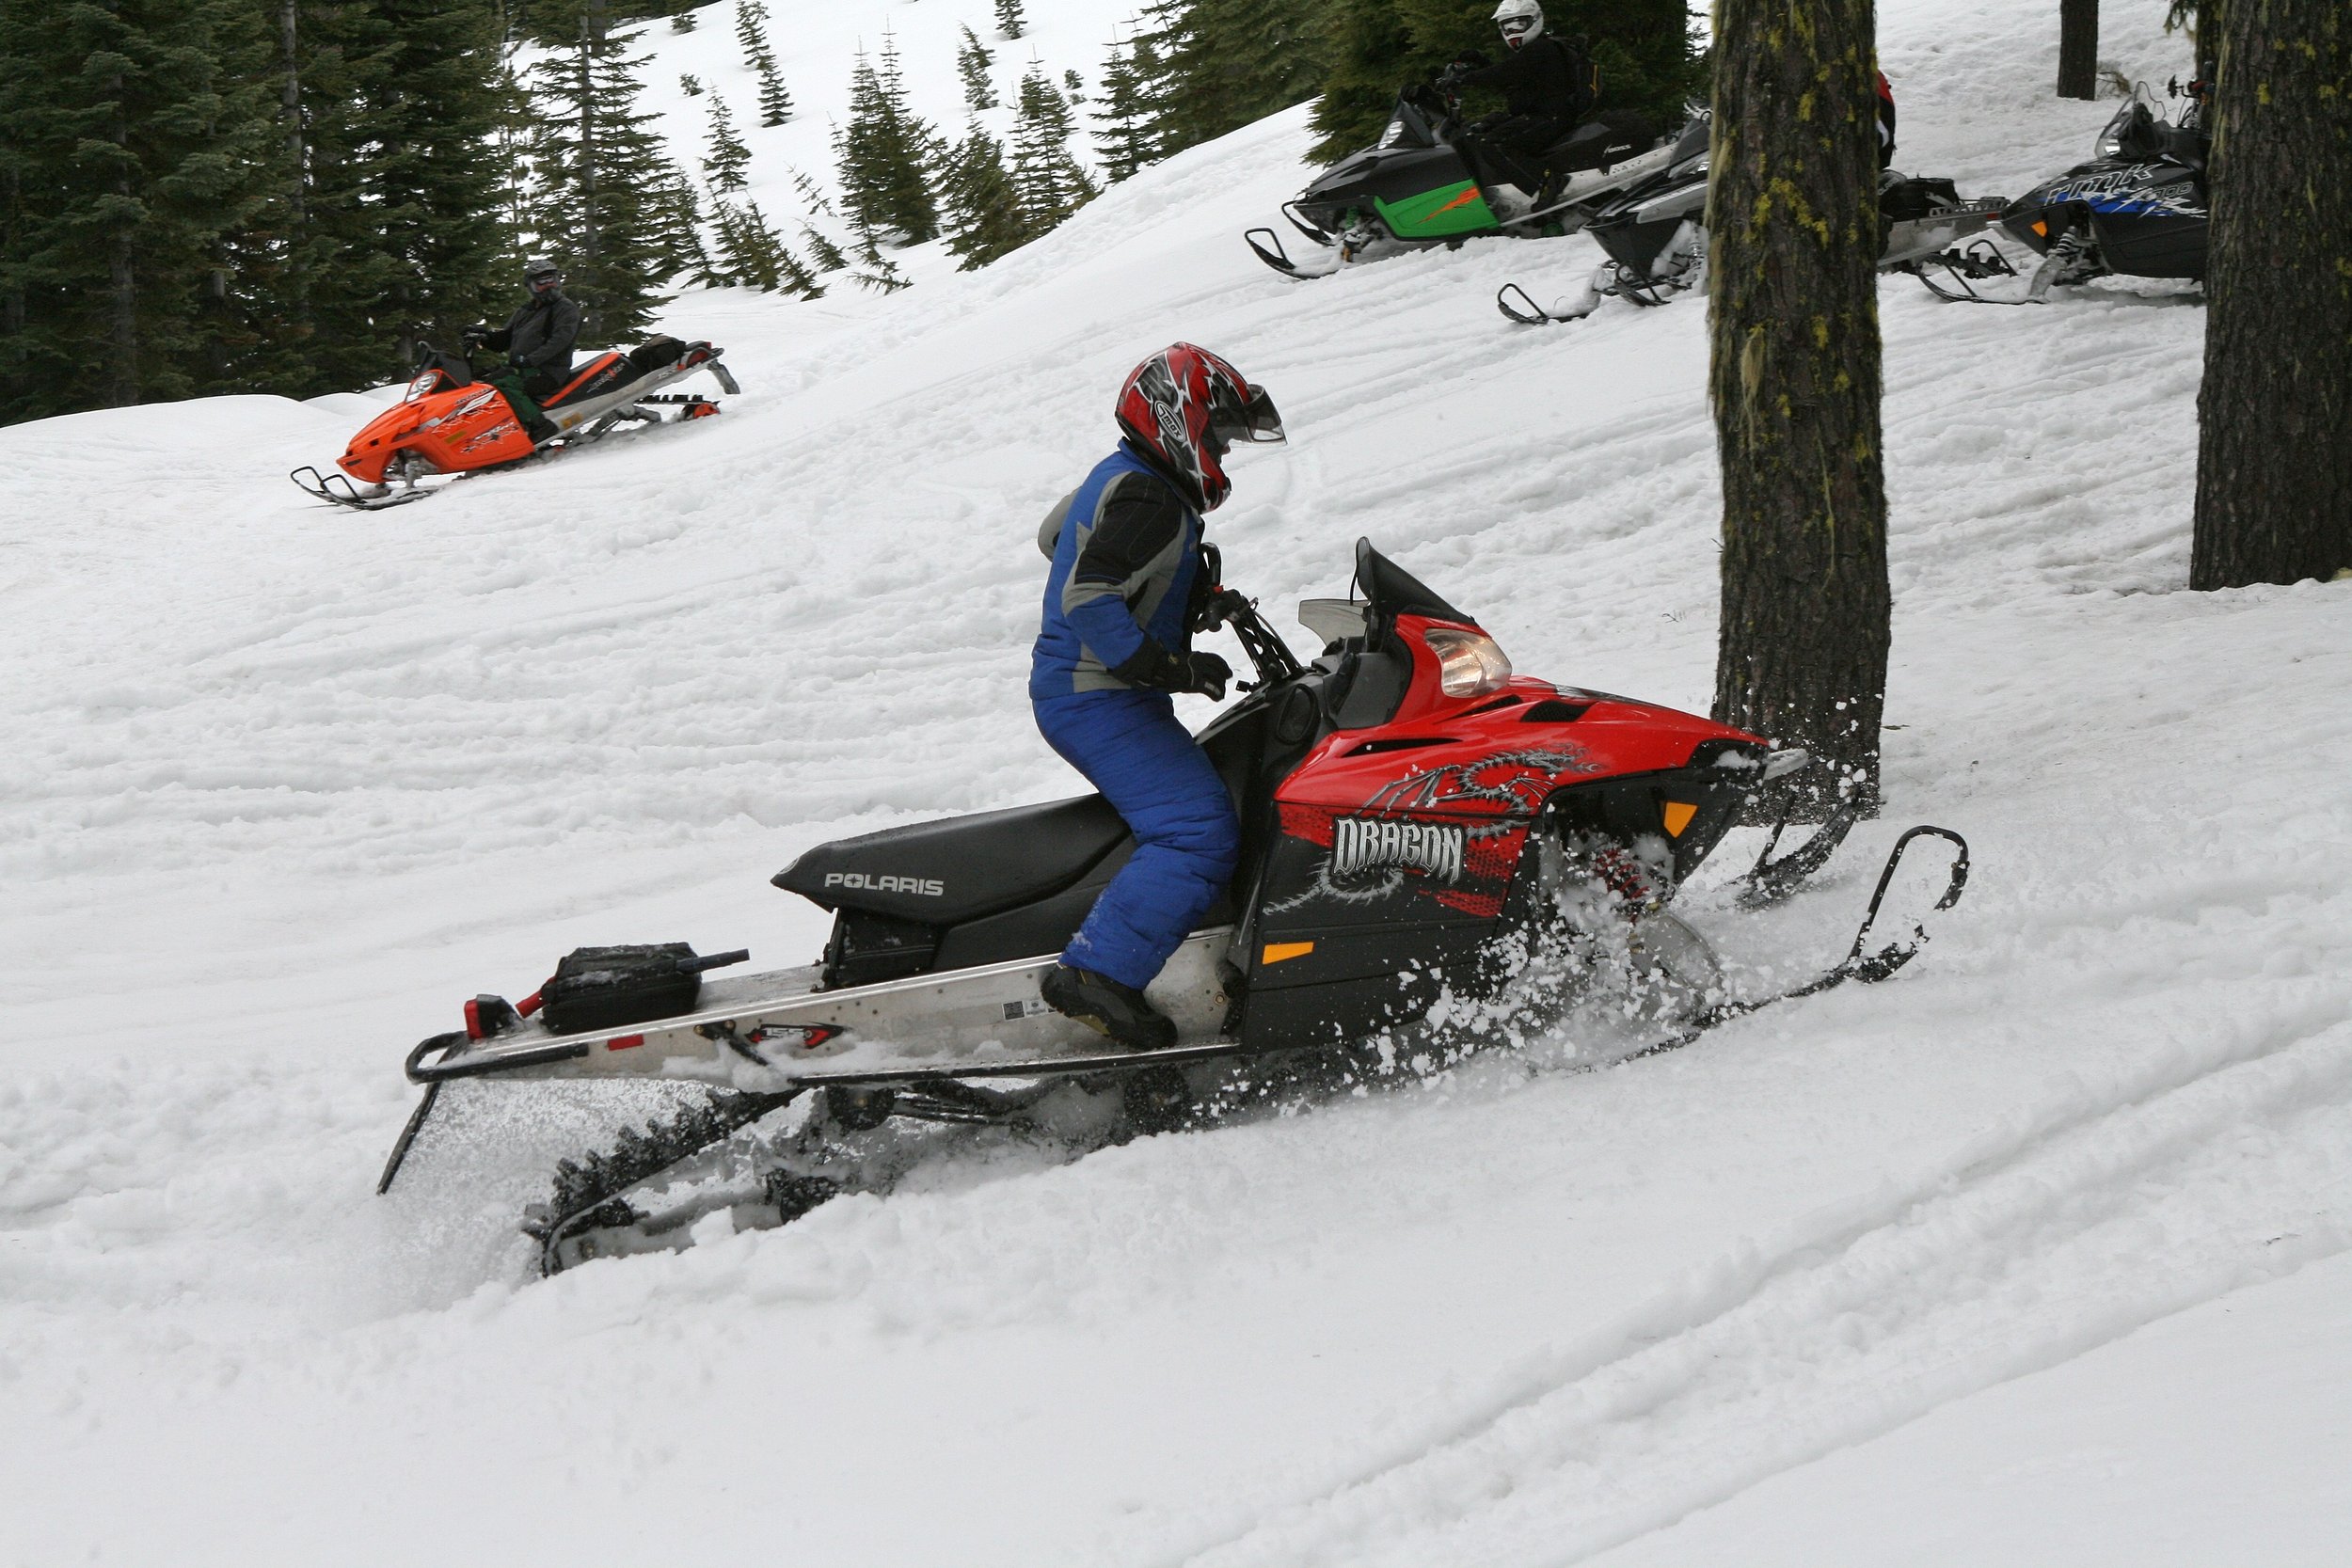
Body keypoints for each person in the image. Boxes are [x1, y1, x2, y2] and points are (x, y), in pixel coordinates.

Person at [1030, 344, 1285, 1050]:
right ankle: (1097, 973)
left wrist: (1179, 596)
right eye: (1218, 436)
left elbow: (1056, 536)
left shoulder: (1126, 475)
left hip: (1090, 690)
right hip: (1096, 699)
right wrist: (1169, 665)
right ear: (1178, 421)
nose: (1222, 453)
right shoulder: (1148, 497)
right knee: (1196, 829)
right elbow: (1087, 596)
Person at [1440, 1, 1598, 212]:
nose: (1513, 32)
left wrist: (1463, 79)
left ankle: (1546, 182)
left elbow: (1505, 72)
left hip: (1550, 117)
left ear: (1535, 21)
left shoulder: (1540, 48)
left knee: (1492, 144)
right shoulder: (1535, 51)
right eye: (1508, 27)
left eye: (1518, 25)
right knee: (1481, 129)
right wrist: (1480, 62)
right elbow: (1509, 79)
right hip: (1543, 114)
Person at [467, 259, 580, 444]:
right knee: (480, 384)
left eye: (551, 280)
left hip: (548, 371)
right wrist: (483, 336)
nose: (548, 286)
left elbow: (560, 340)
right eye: (541, 282)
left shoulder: (564, 308)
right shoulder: (526, 310)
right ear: (531, 286)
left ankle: (541, 427)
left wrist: (530, 360)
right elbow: (505, 339)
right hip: (523, 367)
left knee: (503, 385)